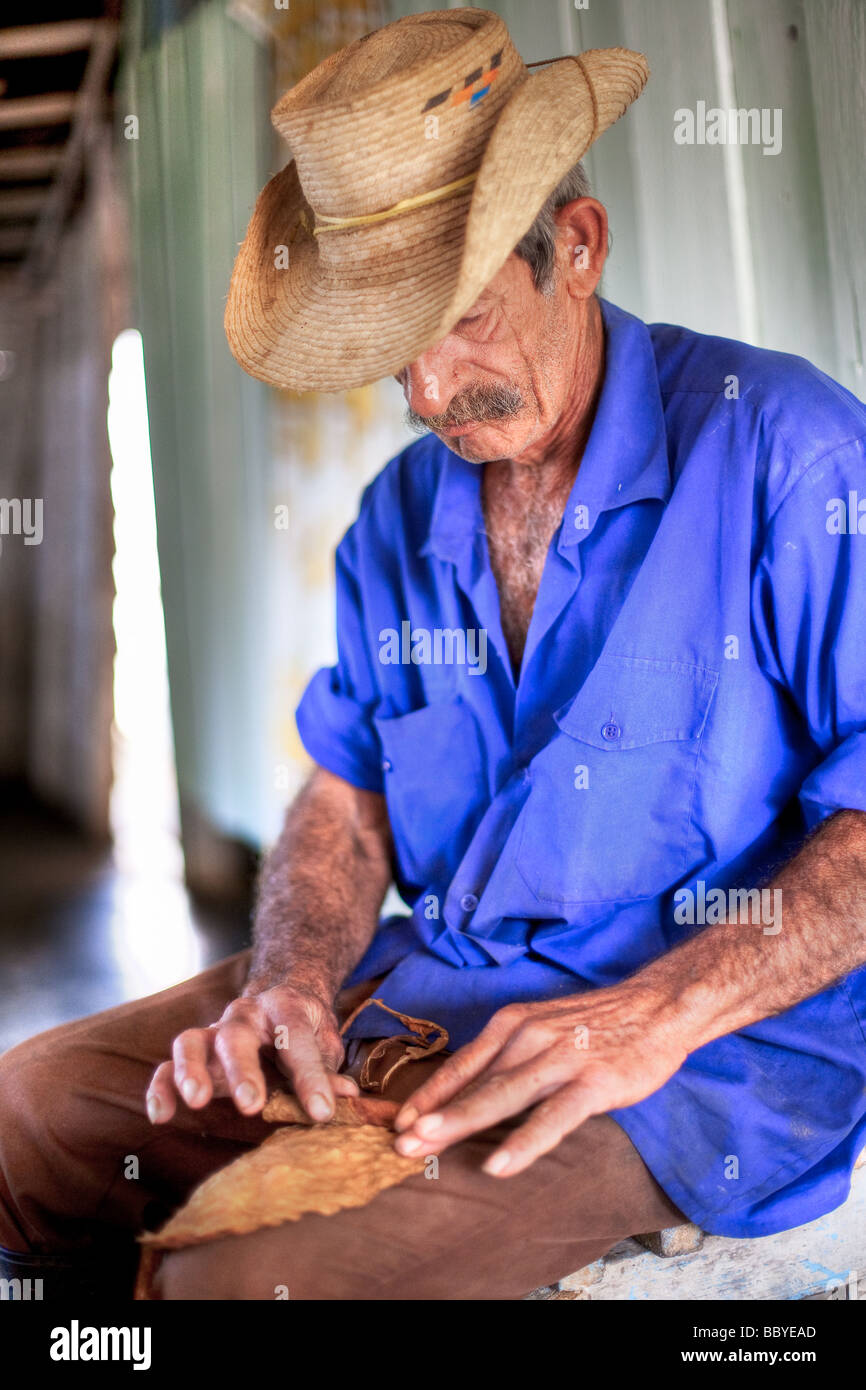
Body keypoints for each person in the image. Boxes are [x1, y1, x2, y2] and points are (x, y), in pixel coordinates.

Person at [2, 8, 866, 1301]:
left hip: (694, 1064)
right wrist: (291, 978)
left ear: (574, 246)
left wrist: (653, 1012)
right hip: (418, 1000)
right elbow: (346, 791)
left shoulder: (785, 450)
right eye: (389, 343)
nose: (423, 388)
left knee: (242, 1289)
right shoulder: (399, 517)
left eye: (457, 319)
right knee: (24, 1112)